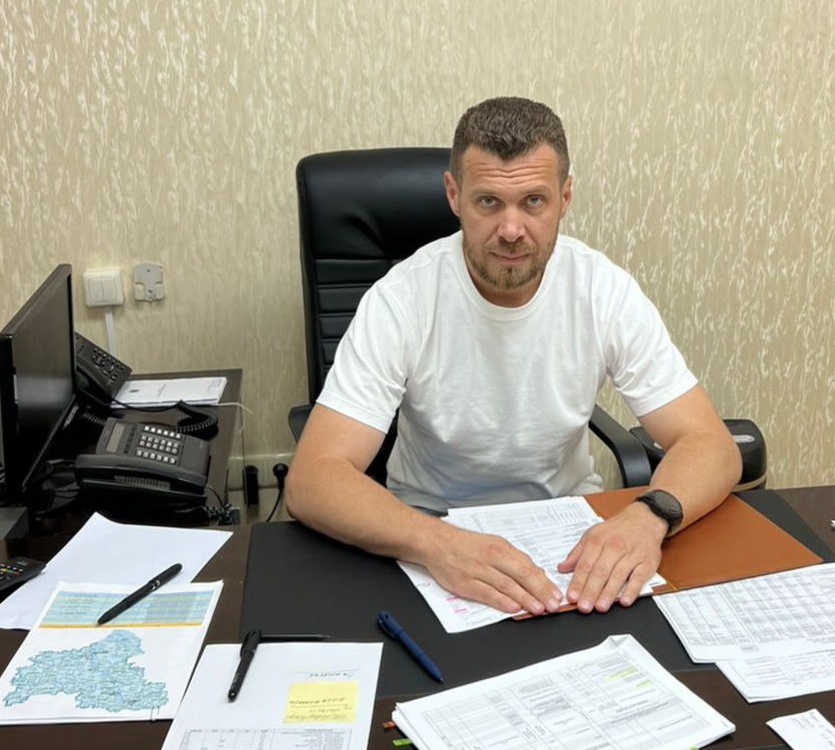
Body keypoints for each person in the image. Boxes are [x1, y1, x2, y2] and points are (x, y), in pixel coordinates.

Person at [287, 96, 741, 617]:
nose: (510, 229)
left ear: (564, 197)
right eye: (488, 202)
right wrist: (437, 544)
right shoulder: (402, 298)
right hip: (428, 530)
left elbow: (711, 444)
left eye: (533, 201)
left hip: (567, 537)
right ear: (454, 195)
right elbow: (313, 478)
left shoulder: (602, 289)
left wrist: (650, 515)